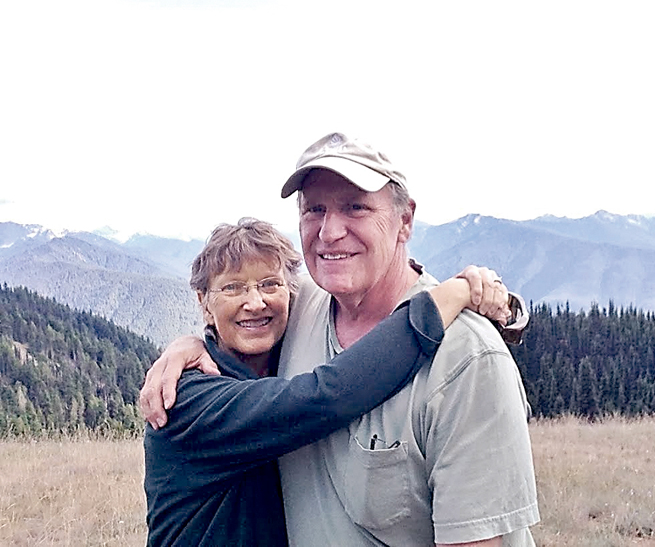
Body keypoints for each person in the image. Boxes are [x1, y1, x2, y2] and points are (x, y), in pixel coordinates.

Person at [143, 132, 539, 546]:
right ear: (204, 302)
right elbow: (324, 395)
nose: (330, 232)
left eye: (355, 206)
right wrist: (190, 345)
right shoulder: (192, 394)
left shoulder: (467, 361)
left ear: (405, 221)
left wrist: (485, 297)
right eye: (315, 209)